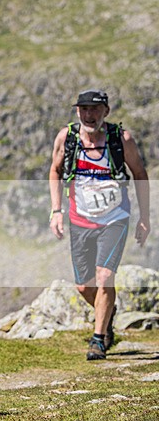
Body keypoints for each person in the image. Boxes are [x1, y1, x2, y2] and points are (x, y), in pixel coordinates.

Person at [49, 89, 150, 360]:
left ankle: (98, 339)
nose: (89, 115)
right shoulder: (67, 138)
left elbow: (139, 174)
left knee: (105, 277)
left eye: (94, 109)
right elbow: (56, 170)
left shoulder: (121, 139)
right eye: (83, 109)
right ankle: (107, 313)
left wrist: (144, 218)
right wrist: (56, 211)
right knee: (84, 286)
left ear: (106, 111)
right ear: (77, 112)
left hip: (115, 218)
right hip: (80, 219)